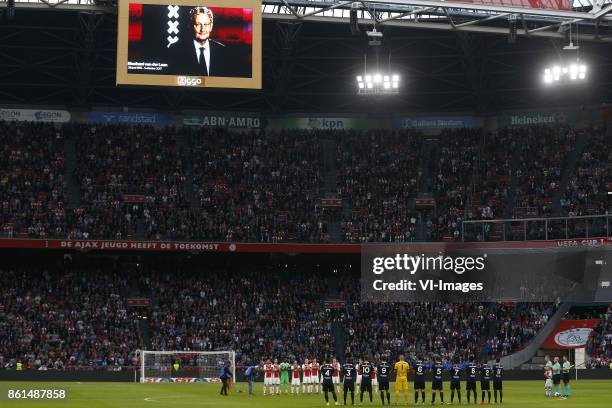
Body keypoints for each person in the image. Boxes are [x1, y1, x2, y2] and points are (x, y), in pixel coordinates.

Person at [167, 7, 248, 77]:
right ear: (190, 25)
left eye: (206, 24)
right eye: (198, 24)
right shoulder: (176, 49)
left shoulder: (223, 51)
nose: (202, 29)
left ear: (211, 26)